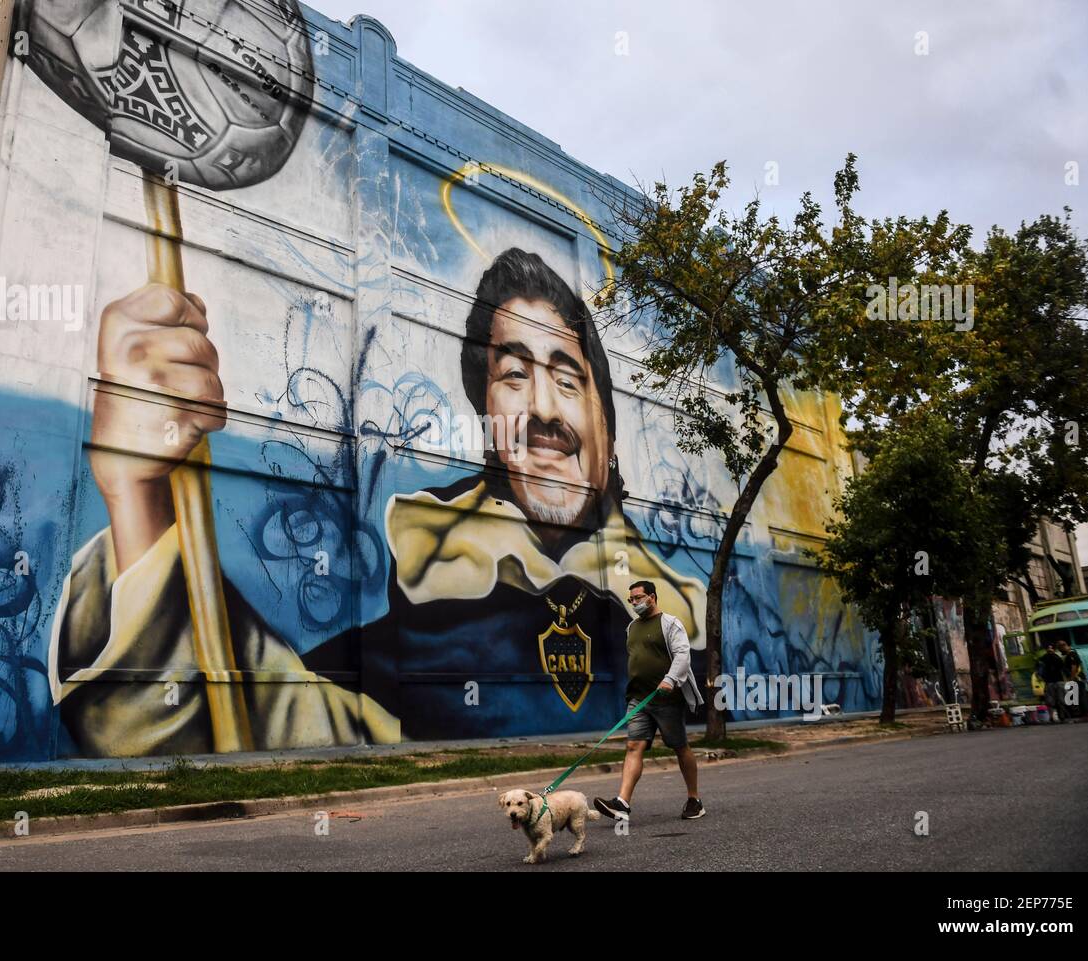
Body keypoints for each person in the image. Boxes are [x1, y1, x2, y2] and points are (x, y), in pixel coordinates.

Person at [50, 249, 707, 754]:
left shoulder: (686, 617)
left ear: (610, 425)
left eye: (567, 378)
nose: (540, 407)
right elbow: (221, 727)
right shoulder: (418, 622)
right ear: (484, 416)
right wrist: (140, 499)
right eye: (513, 375)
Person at [594, 580, 706, 822]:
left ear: (652, 597)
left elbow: (683, 656)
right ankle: (622, 803)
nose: (634, 603)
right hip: (639, 699)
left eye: (638, 598)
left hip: (666, 698)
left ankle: (694, 799)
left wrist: (670, 679)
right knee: (634, 745)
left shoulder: (670, 623)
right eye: (631, 599)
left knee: (679, 746)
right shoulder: (631, 627)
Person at [1057, 637, 1088, 722]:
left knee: (1081, 697)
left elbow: (1074, 667)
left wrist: (1071, 678)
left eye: (1060, 649)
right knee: (1083, 697)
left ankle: (1085, 716)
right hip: (1078, 679)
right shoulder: (1071, 654)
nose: (1060, 651)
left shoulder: (1071, 654)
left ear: (1063, 646)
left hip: (1077, 679)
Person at [1036, 638, 1068, 722]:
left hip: (1050, 682)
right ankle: (1061, 717)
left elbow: (1039, 671)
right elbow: (1064, 669)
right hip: (1057, 681)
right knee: (1059, 700)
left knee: (1051, 701)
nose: (1050, 650)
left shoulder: (1043, 659)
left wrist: (1041, 678)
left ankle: (1053, 717)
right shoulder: (1058, 657)